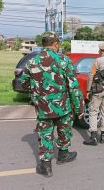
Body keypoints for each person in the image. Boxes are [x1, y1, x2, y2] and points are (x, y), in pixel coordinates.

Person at [21, 31, 84, 177]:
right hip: (63, 106)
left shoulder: (31, 61)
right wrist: (79, 107)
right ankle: (63, 155)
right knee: (64, 130)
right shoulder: (64, 60)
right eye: (58, 44)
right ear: (55, 44)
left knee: (45, 134)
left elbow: (24, 83)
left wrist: (37, 92)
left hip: (43, 107)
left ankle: (46, 166)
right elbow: (73, 86)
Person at [83, 42, 104, 146]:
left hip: (98, 89)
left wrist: (88, 90)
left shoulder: (97, 60)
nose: (98, 52)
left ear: (103, 51)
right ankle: (103, 135)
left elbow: (91, 76)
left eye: (99, 50)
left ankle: (93, 137)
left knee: (93, 111)